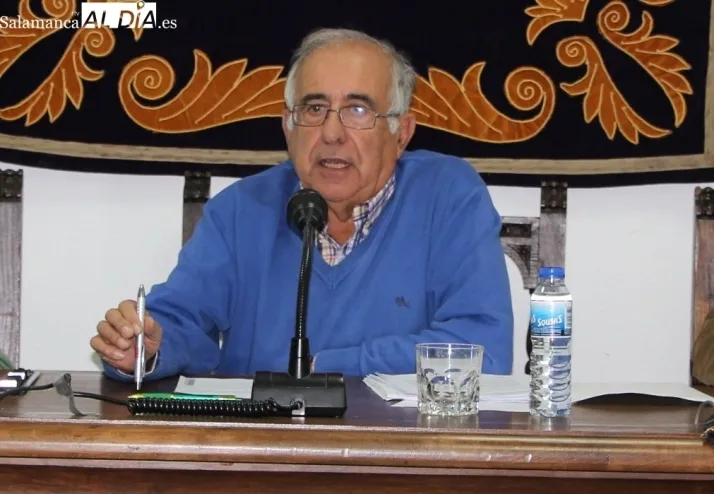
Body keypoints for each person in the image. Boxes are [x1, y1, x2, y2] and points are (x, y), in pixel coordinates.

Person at [91, 28, 514, 380]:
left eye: (357, 109)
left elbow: (482, 351)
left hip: (399, 450)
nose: (331, 133)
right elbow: (181, 323)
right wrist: (146, 348)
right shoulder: (240, 210)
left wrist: (323, 367)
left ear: (401, 132)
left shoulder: (448, 196)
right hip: (263, 448)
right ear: (287, 126)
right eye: (314, 108)